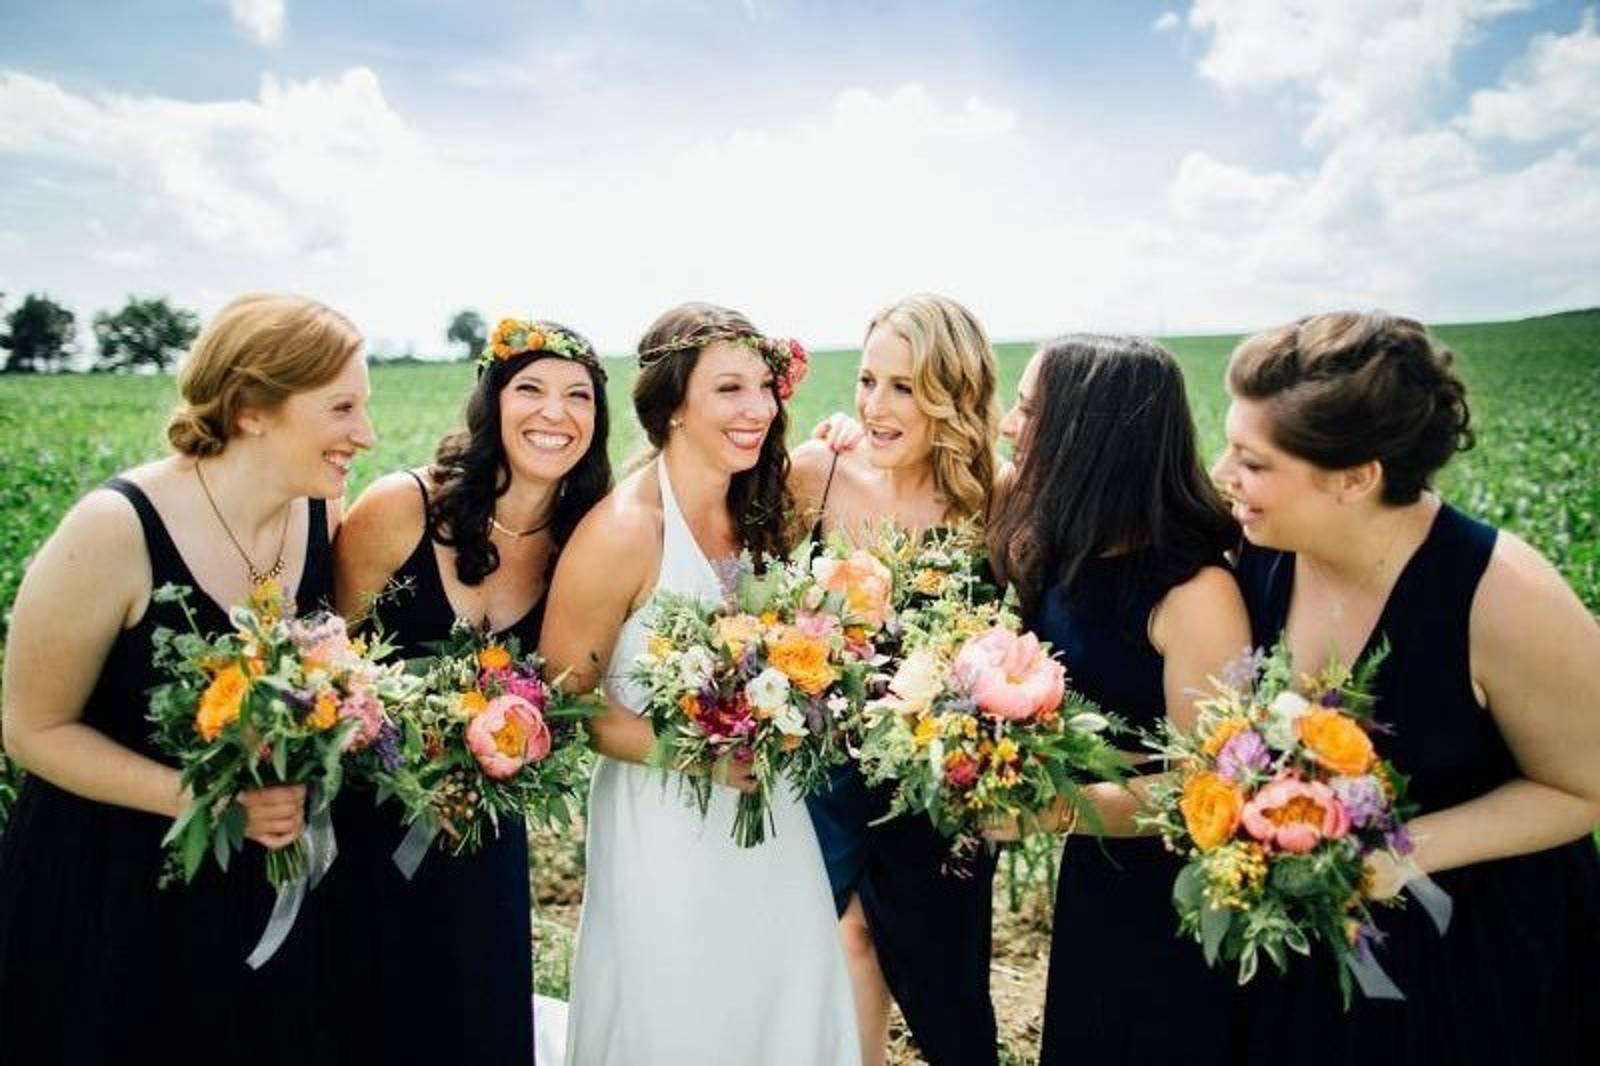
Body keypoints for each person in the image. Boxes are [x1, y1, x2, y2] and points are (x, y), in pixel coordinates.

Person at [1211, 310, 1600, 1065]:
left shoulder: (1504, 595)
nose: (1224, 474)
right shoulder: (1255, 552)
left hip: (1484, 963)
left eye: (1252, 462)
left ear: (1358, 477)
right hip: (1308, 956)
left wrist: (1396, 855)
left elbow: (1583, 786)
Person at [0, 293, 374, 1064]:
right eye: (341, 407)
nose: (363, 435)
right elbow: (31, 729)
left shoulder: (319, 511)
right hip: (111, 885)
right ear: (251, 409)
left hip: (254, 881)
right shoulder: (114, 529)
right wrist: (208, 801)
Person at [542, 302, 860, 1065]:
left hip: (772, 813)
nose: (757, 409)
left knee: (779, 994)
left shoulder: (763, 510)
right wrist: (698, 755)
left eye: (763, 387)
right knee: (684, 1008)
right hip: (665, 823)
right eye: (729, 390)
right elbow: (569, 701)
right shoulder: (623, 532)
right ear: (673, 405)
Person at [328, 316, 611, 1064]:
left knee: (476, 1019)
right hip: (362, 822)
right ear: (493, 400)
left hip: (483, 832)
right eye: (532, 390)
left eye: (578, 396)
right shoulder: (401, 508)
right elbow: (324, 660)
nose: (556, 413)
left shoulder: (583, 540)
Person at [983, 334, 1250, 1065]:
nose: (1009, 424)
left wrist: (1049, 807)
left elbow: (1214, 789)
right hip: (1099, 874)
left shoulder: (1195, 593)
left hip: (1179, 907)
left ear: (1087, 434)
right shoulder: (1064, 547)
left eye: (1028, 409)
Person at [790, 293, 1003, 1066]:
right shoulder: (818, 472)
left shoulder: (997, 496)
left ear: (954, 396)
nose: (876, 405)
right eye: (868, 380)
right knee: (842, 934)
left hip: (939, 773)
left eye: (905, 387)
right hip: (827, 765)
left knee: (946, 980)